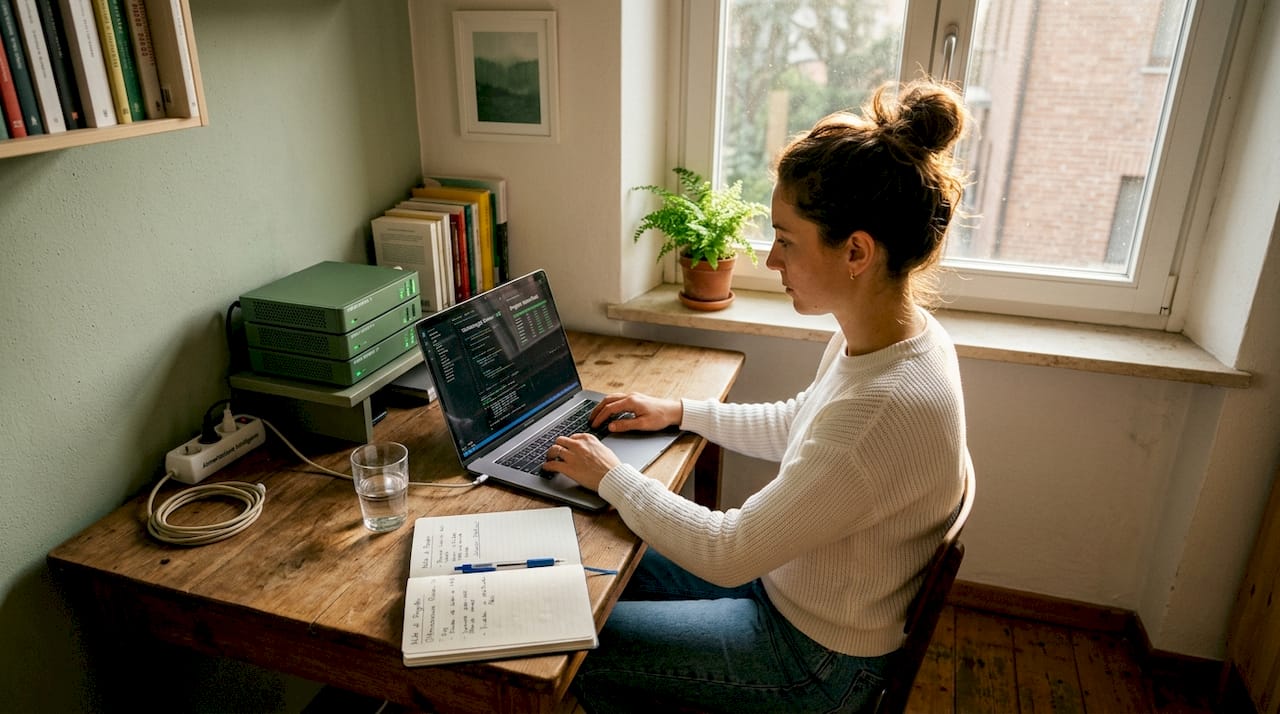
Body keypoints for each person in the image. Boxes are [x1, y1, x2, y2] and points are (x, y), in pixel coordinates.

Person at [544, 78, 974, 714]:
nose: (771, 259)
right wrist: (682, 412)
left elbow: (728, 551)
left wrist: (610, 475)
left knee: (574, 649)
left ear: (856, 251)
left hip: (814, 659)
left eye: (785, 238)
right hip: (784, 590)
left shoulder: (885, 405)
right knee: (587, 571)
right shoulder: (894, 336)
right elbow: (801, 422)